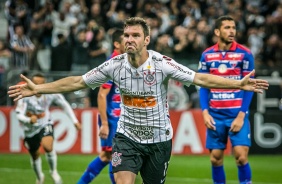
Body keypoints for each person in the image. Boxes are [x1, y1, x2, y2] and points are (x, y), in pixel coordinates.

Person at [8, 17, 268, 184]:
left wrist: (238, 83)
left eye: (134, 35)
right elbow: (78, 81)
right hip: (127, 137)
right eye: (126, 35)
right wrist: (39, 89)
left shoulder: (162, 64)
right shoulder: (113, 65)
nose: (129, 39)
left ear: (146, 40)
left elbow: (201, 79)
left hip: (158, 140)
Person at [198, 15, 255, 184]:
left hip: (236, 114)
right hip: (215, 115)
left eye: (233, 27)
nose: (232, 31)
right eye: (227, 27)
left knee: (241, 156)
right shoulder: (207, 55)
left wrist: (240, 116)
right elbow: (203, 86)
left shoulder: (245, 54)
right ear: (217, 31)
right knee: (215, 158)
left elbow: (249, 87)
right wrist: (205, 112)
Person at [14, 73, 81, 184]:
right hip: (30, 128)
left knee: (48, 146)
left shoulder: (50, 92)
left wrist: (74, 121)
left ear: (44, 83)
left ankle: (53, 172)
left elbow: (64, 104)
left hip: (45, 122)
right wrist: (28, 120)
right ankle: (40, 177)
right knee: (34, 154)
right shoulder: (25, 94)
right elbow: (18, 114)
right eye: (36, 83)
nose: (38, 85)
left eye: (41, 83)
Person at [77, 28, 124, 184]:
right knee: (114, 157)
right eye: (127, 39)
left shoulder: (125, 63)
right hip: (112, 120)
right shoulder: (112, 65)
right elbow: (102, 95)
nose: (131, 41)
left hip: (120, 120)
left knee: (107, 157)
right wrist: (104, 123)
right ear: (117, 43)